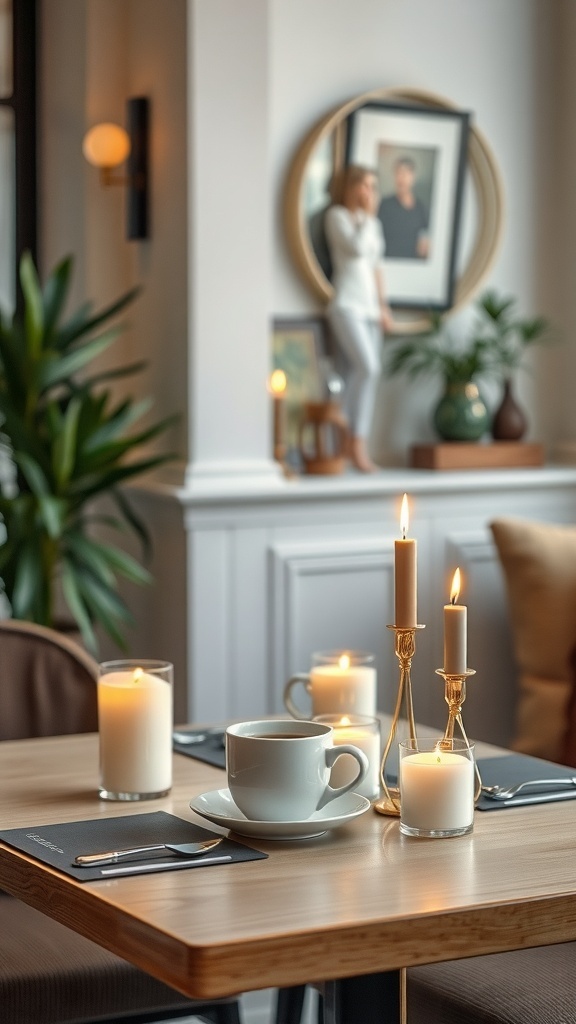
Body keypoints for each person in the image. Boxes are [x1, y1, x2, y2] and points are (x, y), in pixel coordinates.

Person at [324, 164, 394, 473]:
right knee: (368, 367)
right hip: (346, 305)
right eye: (364, 185)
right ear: (351, 187)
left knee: (358, 374)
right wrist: (367, 217)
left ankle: (351, 445)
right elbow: (354, 249)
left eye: (373, 186)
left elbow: (377, 266)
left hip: (369, 309)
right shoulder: (337, 217)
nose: (369, 192)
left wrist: (383, 306)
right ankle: (351, 439)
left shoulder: (374, 224)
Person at [377, 156, 430, 260]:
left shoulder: (421, 209)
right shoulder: (383, 205)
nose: (401, 178)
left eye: (405, 173)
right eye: (398, 173)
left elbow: (424, 242)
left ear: (413, 177)